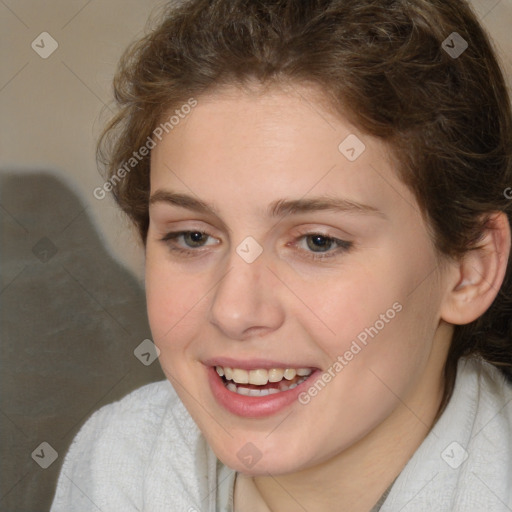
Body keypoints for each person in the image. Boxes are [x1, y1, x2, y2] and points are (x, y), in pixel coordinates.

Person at [51, 0, 512, 510]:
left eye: (318, 241)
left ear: (471, 269)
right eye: (193, 237)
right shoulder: (116, 462)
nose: (234, 311)